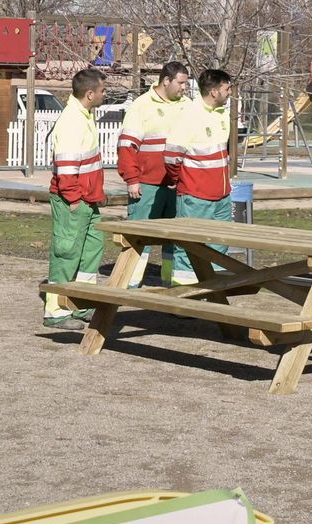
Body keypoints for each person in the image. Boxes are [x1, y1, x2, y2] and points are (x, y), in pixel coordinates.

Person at [41, 68, 108, 331]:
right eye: (103, 90)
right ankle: (56, 310)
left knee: (90, 252)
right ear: (90, 94)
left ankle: (81, 303)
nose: (105, 94)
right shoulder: (72, 120)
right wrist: (74, 199)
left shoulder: (84, 115)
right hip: (74, 200)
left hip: (85, 199)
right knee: (67, 252)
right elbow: (67, 167)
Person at [117, 61, 192, 287]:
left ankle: (170, 282)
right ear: (166, 81)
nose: (184, 88)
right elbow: (127, 146)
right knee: (140, 237)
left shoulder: (188, 106)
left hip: (176, 185)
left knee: (174, 238)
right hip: (147, 184)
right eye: (181, 83)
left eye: (186, 83)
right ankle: (131, 283)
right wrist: (132, 179)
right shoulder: (141, 106)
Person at [163, 68, 234, 286]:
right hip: (196, 196)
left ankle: (214, 291)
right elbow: (171, 156)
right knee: (189, 246)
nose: (230, 92)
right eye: (227, 88)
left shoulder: (222, 114)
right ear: (214, 92)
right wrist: (182, 180)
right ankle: (182, 298)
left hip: (222, 195)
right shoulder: (190, 115)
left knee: (220, 244)